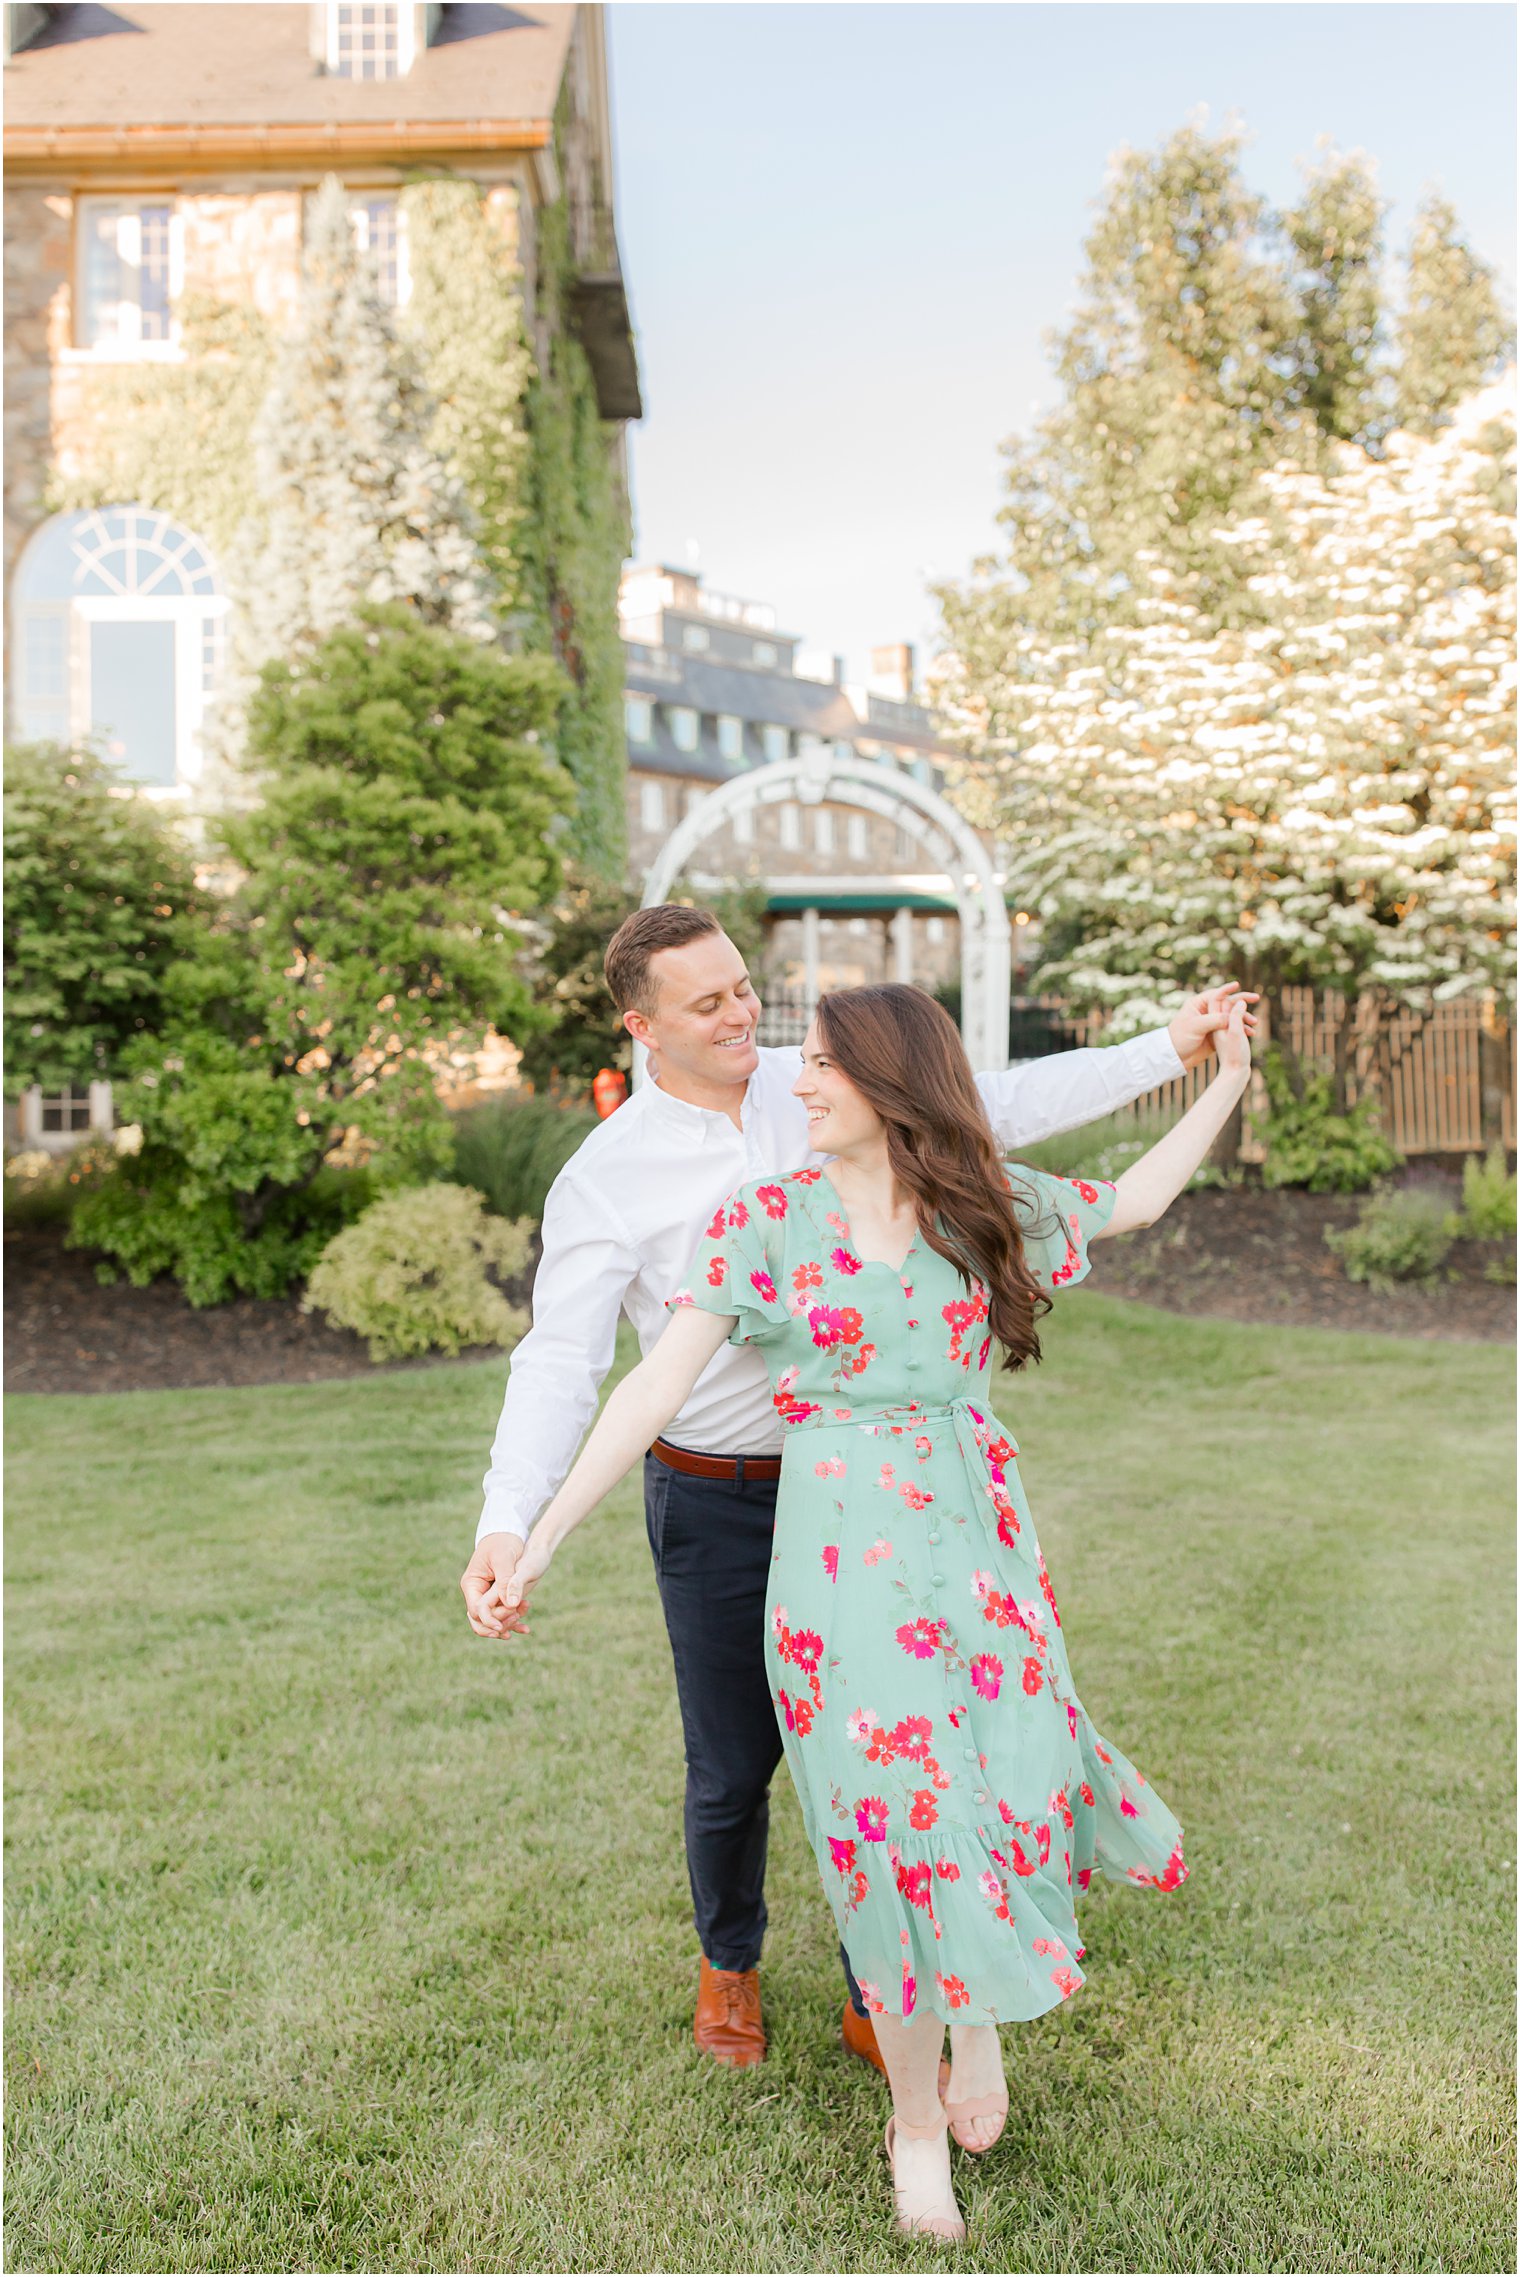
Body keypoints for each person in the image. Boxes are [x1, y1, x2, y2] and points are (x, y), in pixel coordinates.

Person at [477, 981, 1252, 2241]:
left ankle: (977, 2033)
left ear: (890, 1086)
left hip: (980, 1552)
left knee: (997, 1787)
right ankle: (912, 2124)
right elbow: (648, 1388)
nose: (799, 1081)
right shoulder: (763, 1223)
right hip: (837, 1573)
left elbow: (1141, 1197)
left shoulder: (975, 1209)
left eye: (825, 1064)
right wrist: (536, 1539)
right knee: (891, 1825)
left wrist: (1220, 1077)